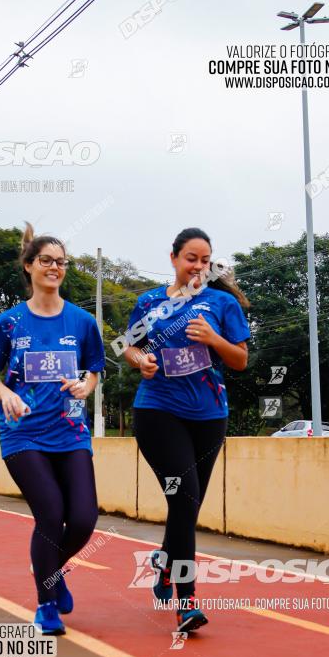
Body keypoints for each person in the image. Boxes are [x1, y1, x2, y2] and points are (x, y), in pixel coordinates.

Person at [122, 227, 250, 633]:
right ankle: (188, 600)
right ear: (174, 258)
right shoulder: (149, 302)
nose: (198, 266)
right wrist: (139, 360)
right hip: (158, 411)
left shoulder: (222, 304)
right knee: (185, 498)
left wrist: (213, 338)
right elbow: (128, 345)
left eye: (205, 259)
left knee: (187, 506)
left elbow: (241, 361)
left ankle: (163, 561)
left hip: (209, 415)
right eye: (190, 258)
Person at [0, 223, 105, 635]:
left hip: (71, 432)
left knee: (84, 519)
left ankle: (49, 567)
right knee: (50, 515)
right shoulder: (9, 323)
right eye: (46, 261)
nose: (55, 267)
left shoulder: (83, 322)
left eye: (61, 262)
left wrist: (85, 385)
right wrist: (5, 395)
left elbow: (94, 371)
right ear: (30, 266)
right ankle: (46, 604)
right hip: (23, 433)